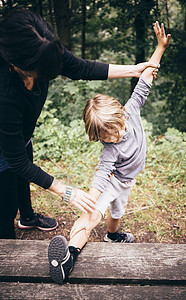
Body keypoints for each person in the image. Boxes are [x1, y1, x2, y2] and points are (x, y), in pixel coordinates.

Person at [0, 9, 158, 239]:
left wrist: (134, 70)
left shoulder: (44, 50)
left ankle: (27, 217)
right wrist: (65, 191)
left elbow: (81, 68)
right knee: (5, 208)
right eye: (37, 74)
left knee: (23, 179)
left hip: (22, 136)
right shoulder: (5, 94)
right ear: (15, 63)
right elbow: (15, 160)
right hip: (3, 148)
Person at [48, 21, 171, 284]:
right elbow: (103, 173)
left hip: (127, 182)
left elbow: (146, 76)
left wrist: (160, 47)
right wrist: (91, 199)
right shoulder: (109, 150)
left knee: (117, 214)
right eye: (103, 136)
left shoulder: (132, 108)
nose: (110, 139)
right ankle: (67, 256)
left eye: (111, 131)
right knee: (92, 216)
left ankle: (113, 235)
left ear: (119, 114)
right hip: (113, 181)